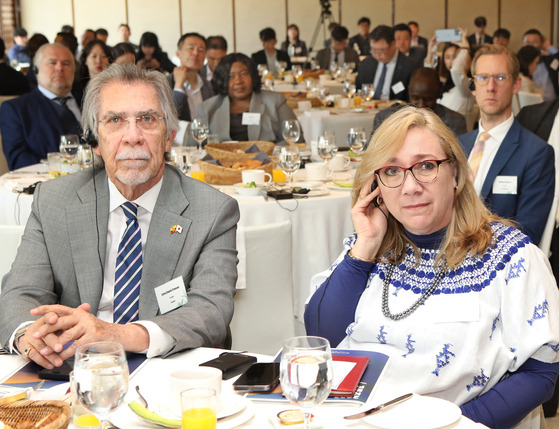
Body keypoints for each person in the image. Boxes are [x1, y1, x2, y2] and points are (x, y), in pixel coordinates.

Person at [304, 106, 559, 429]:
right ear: (375, 185)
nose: (410, 186)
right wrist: (365, 248)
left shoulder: (511, 258)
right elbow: (321, 336)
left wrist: (453, 425)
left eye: (426, 166)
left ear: (456, 173)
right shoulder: (368, 247)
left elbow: (541, 371)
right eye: (392, 171)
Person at [0, 63, 240, 369]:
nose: (132, 136)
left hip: (170, 371)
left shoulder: (212, 210)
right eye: (115, 120)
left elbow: (211, 311)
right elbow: (20, 293)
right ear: (94, 140)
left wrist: (116, 335)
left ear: (169, 137)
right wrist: (29, 336)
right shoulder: (54, 201)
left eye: (148, 119)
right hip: (71, 369)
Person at [459, 44, 555, 245]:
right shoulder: (459, 145)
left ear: (516, 85)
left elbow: (526, 232)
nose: (491, 86)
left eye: (500, 77)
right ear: (472, 86)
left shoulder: (536, 153)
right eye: (483, 78)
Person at [0, 43, 82, 170]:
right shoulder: (17, 110)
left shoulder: (90, 101)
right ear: (36, 70)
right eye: (52, 63)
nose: (60, 68)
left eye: (66, 63)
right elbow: (18, 160)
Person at [197, 53, 299, 143]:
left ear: (253, 76)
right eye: (231, 76)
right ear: (223, 80)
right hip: (221, 163)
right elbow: (195, 146)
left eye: (243, 74)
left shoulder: (275, 101)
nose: (238, 81)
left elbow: (295, 139)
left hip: (267, 161)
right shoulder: (207, 108)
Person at [372, 68, 467, 136]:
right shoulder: (385, 118)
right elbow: (371, 154)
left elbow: (459, 161)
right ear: (409, 91)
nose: (421, 105)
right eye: (415, 98)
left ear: (438, 93)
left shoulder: (455, 122)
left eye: (428, 99)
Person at [355, 25, 416, 101]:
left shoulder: (408, 66)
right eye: (374, 50)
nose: (377, 55)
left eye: (381, 51)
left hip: (395, 110)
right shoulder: (366, 64)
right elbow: (357, 90)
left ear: (393, 44)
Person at [425, 28, 475, 118]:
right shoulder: (443, 84)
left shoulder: (465, 86)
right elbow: (427, 78)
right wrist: (430, 53)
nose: (452, 61)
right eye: (447, 57)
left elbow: (456, 70)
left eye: (456, 56)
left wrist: (465, 48)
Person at [168, 32, 213, 122]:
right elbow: (168, 117)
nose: (196, 53)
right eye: (190, 48)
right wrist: (178, 86)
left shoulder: (208, 85)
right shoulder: (165, 83)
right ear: (178, 53)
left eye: (201, 50)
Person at [523, 29, 559, 101]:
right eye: (528, 42)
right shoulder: (519, 62)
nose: (531, 45)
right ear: (523, 44)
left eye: (535, 42)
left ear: (541, 44)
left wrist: (549, 47)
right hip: (531, 103)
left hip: (552, 102)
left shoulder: (549, 60)